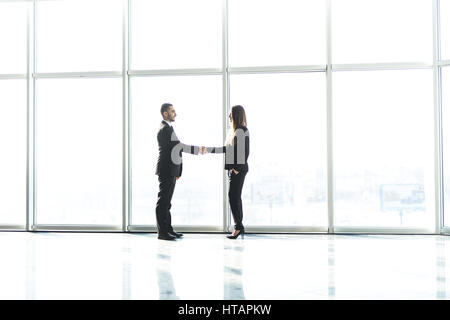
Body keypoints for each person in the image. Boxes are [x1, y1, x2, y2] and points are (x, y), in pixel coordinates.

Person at [202, 105, 250, 239]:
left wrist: (236, 169)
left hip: (238, 170)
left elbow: (245, 152)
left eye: (231, 114)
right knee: (235, 197)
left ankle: (238, 227)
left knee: (233, 197)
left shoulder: (241, 130)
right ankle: (239, 227)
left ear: (236, 115)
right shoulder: (234, 131)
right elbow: (227, 149)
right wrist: (209, 150)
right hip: (235, 170)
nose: (229, 116)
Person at [155, 103, 201, 241]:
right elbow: (178, 147)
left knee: (167, 203)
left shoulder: (169, 128)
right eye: (172, 111)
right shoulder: (165, 129)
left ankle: (168, 229)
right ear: (165, 113)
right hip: (166, 169)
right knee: (163, 202)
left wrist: (178, 171)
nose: (175, 113)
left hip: (170, 170)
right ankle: (162, 233)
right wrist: (197, 150)